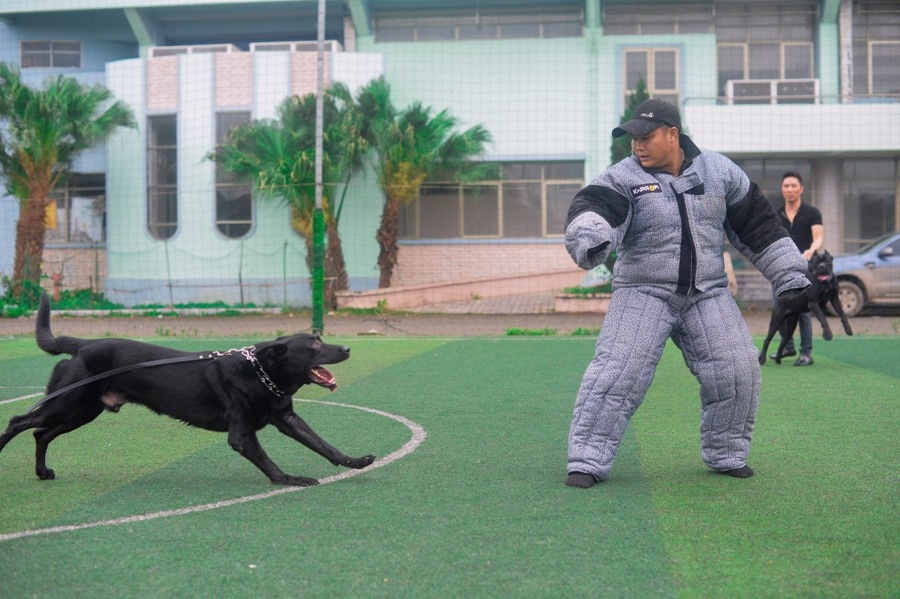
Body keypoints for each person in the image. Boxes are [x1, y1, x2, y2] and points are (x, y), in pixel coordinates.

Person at [564, 98, 810, 488]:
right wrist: (591, 237)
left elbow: (759, 226)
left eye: (646, 137)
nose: (637, 146)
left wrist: (791, 275)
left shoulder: (719, 171)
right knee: (617, 373)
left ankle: (726, 453)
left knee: (738, 370)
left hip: (707, 294)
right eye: (632, 139)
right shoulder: (624, 177)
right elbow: (592, 207)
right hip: (643, 291)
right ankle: (587, 460)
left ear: (672, 134)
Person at [771, 172, 824, 366]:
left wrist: (811, 250)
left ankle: (806, 353)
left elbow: (818, 237)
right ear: (782, 189)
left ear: (801, 188)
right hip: (781, 269)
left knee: (803, 311)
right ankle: (788, 346)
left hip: (804, 268)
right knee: (779, 308)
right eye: (786, 186)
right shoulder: (775, 215)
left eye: (794, 185)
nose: (790, 189)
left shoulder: (812, 213)